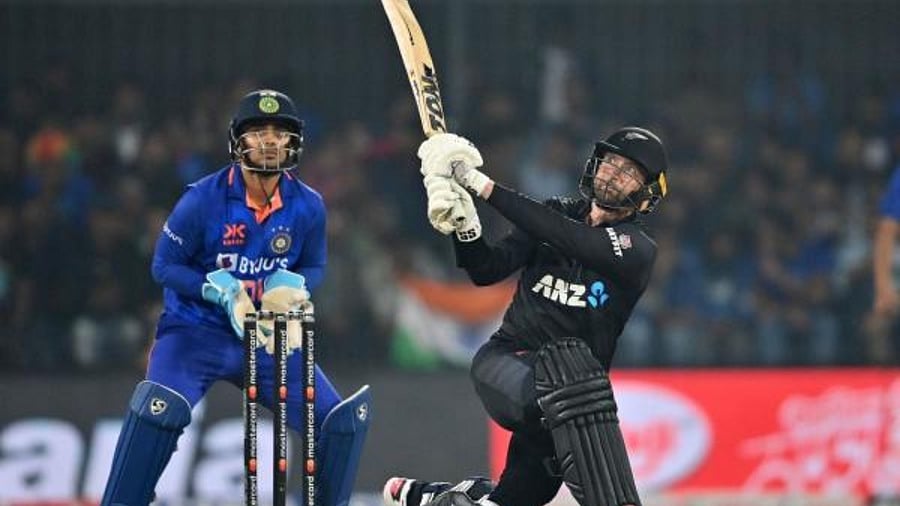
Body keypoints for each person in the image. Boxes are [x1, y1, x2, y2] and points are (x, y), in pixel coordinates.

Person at [100, 89, 371, 506]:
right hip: (195, 332)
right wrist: (218, 289)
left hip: (265, 336)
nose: (268, 141)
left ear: (293, 142)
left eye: (279, 132)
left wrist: (292, 286)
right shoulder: (201, 200)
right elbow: (164, 266)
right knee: (158, 410)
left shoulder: (309, 206)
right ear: (238, 141)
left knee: (340, 423)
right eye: (257, 131)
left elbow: (314, 265)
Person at [384, 127, 669, 506]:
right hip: (510, 367)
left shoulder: (637, 250)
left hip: (570, 410)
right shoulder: (554, 214)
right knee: (571, 377)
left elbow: (573, 239)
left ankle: (443, 498)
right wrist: (464, 227)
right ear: (595, 164)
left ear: (647, 193)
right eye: (611, 161)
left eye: (629, 171)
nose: (614, 173)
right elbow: (486, 270)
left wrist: (477, 182)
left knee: (512, 500)